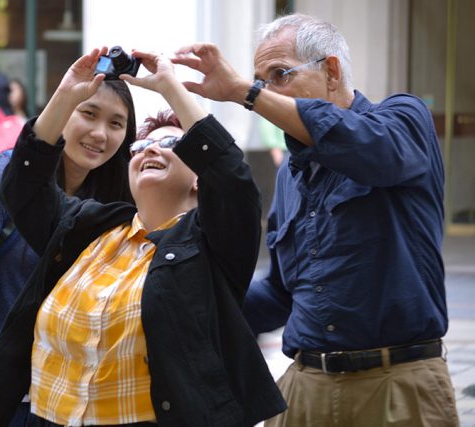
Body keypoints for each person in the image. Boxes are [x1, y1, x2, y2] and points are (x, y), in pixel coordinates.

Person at [0, 47, 286, 427]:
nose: (151, 147)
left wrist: (170, 87)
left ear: (200, 177)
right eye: (142, 145)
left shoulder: (212, 246)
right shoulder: (89, 228)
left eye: (171, 144)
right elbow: (23, 186)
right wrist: (67, 95)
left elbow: (233, 180)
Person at [172, 13, 459, 426]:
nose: (266, 92)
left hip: (398, 383)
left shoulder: (402, 118)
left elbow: (369, 151)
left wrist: (243, 91)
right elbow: (281, 294)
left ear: (331, 70)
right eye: (261, 80)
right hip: (305, 387)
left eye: (278, 75)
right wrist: (191, 294)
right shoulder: (291, 172)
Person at [0, 58, 137, 427]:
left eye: (116, 123)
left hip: (52, 391)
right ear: (62, 110)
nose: (101, 133)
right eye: (88, 113)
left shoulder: (107, 197)